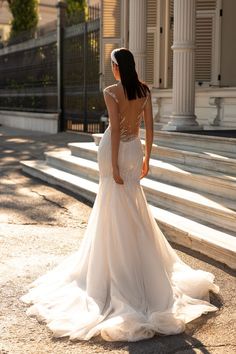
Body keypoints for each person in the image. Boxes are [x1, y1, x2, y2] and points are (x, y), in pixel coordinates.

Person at [20, 48, 219, 342]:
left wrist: (112, 164)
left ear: (116, 67)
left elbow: (113, 130)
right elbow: (149, 127)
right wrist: (147, 157)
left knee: (113, 203)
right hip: (135, 148)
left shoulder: (111, 91)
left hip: (116, 151)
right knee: (131, 205)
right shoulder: (144, 90)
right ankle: (137, 264)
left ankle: (117, 267)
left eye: (111, 65)